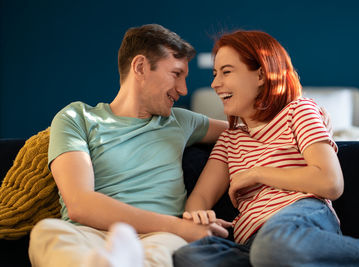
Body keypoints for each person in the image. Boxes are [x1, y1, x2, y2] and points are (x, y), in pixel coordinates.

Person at [173, 30, 359, 266]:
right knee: (189, 257)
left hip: (300, 217)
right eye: (215, 73)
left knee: (274, 245)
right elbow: (200, 196)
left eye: (226, 72)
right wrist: (198, 216)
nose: (215, 83)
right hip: (251, 242)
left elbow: (331, 182)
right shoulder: (230, 139)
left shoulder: (298, 111)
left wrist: (256, 173)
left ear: (260, 74)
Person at [28, 24, 230, 267]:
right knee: (46, 232)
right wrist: (180, 226)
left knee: (166, 248)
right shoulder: (76, 118)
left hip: (158, 238)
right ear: (141, 67)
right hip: (90, 233)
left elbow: (249, 129)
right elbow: (80, 204)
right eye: (176, 74)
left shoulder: (181, 120)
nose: (183, 89)